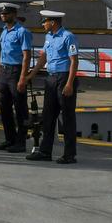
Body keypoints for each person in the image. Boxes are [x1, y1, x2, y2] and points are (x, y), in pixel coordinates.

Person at [26, 10, 80, 164]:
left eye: (45, 21)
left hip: (64, 78)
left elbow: (74, 61)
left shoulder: (68, 37)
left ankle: (69, 155)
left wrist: (70, 83)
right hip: (51, 78)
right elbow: (43, 58)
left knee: (67, 118)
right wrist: (32, 74)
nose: (43, 24)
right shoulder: (48, 37)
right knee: (48, 116)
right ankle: (45, 152)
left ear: (53, 22)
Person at [0, 3, 31, 153]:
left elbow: (26, 57)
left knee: (20, 108)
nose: (3, 16)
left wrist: (22, 78)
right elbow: (3, 55)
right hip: (4, 72)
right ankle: (10, 139)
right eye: (2, 14)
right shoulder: (4, 32)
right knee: (4, 108)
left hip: (16, 71)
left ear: (14, 14)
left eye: (6, 14)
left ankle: (21, 142)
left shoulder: (22, 32)